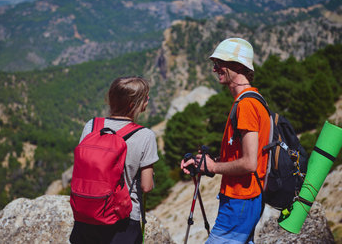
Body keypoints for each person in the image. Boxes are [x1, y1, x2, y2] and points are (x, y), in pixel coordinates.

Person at [181, 38, 270, 244]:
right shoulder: (250, 100)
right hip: (246, 198)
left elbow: (249, 163)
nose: (214, 69)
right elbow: (245, 154)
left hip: (241, 198)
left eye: (219, 64)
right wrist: (205, 163)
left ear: (238, 66)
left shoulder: (246, 105)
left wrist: (213, 166)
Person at [70, 76, 159, 244]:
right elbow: (146, 187)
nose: (148, 100)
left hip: (87, 214)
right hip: (123, 218)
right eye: (145, 97)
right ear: (134, 105)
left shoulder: (92, 126)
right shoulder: (145, 135)